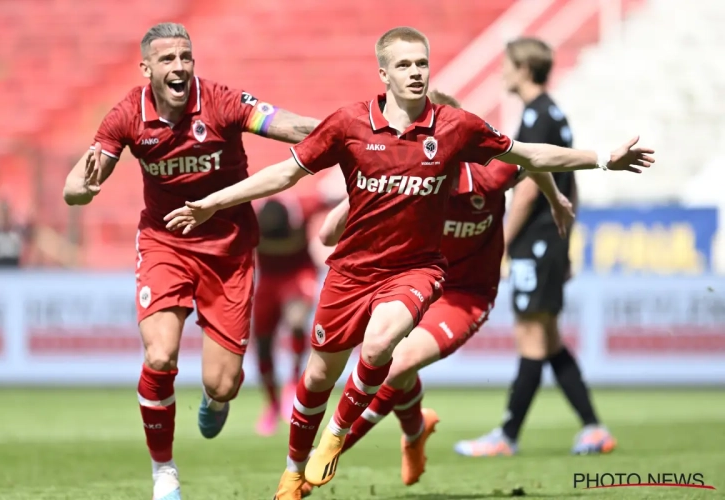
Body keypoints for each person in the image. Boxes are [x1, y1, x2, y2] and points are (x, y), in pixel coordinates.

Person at [162, 26, 653, 499]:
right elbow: (286, 175)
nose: (416, 72)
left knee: (384, 349)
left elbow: (529, 156)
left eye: (422, 63)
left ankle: (335, 439)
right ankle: (305, 469)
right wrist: (214, 203)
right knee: (316, 380)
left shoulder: (458, 132)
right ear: (384, 73)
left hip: (425, 275)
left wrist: (603, 160)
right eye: (404, 64)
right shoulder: (350, 125)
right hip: (353, 272)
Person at [61, 22, 320, 500]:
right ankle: (164, 473)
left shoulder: (220, 101)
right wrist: (82, 187)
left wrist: (345, 135)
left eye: (185, 57)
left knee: (222, 386)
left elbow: (288, 125)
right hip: (166, 244)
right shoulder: (127, 114)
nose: (179, 66)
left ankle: (215, 398)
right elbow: (75, 186)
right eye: (167, 59)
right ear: (147, 69)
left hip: (229, 252)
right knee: (159, 354)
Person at [305, 89, 575, 492]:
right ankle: (415, 430)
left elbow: (531, 162)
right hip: (415, 282)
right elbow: (327, 235)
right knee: (389, 359)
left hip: (466, 294)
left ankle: (322, 462)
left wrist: (555, 199)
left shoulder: (491, 174)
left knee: (395, 364)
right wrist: (354, 200)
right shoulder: (399, 176)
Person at [454, 37, 616, 458]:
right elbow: (571, 180)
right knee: (548, 338)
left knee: (531, 337)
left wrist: (499, 245)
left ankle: (506, 435)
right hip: (551, 241)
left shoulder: (535, 116)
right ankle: (593, 428)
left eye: (507, 64)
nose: (501, 71)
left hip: (535, 241)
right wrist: (568, 237)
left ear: (524, 68)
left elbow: (526, 189)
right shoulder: (554, 113)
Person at [251, 192, 325, 436]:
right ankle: (271, 404)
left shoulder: (304, 206)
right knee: (262, 343)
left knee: (296, 321)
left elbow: (339, 199)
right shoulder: (249, 216)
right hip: (268, 280)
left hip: (298, 273)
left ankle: (293, 382)